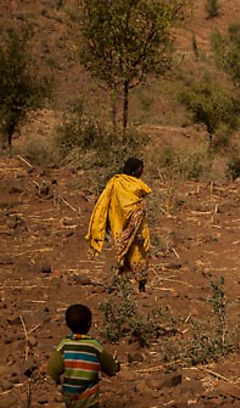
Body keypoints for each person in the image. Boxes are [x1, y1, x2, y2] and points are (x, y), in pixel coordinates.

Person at [85, 157, 152, 291]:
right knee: (133, 254)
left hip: (127, 227)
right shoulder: (117, 183)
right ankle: (129, 285)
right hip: (125, 226)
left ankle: (137, 285)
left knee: (138, 254)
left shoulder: (129, 184)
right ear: (134, 171)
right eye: (140, 168)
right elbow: (113, 204)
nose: (142, 171)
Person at [47, 304, 120, 408]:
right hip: (89, 399)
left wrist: (57, 381)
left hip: (70, 399)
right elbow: (111, 367)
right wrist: (116, 366)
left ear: (67, 324)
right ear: (89, 324)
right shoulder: (94, 346)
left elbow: (52, 369)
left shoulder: (64, 345)